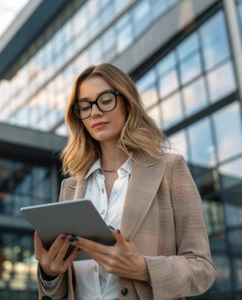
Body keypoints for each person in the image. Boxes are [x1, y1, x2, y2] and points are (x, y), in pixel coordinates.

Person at [34, 63, 216, 300]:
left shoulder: (169, 170)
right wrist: (50, 273)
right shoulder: (70, 188)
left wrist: (142, 268)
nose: (95, 112)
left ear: (127, 102)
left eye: (105, 100)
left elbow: (202, 268)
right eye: (85, 106)